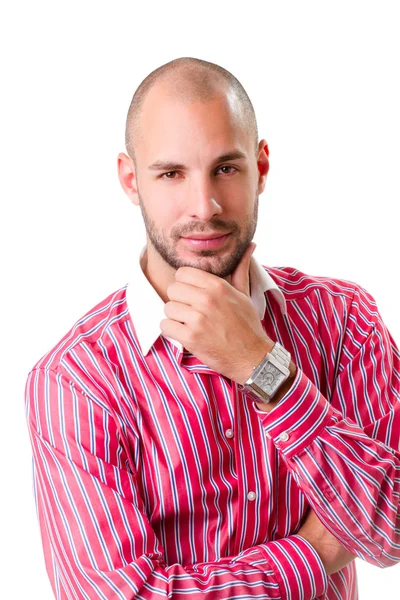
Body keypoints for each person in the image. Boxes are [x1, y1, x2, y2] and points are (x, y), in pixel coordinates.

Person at [24, 56, 400, 600]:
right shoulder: (76, 381)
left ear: (261, 167)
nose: (205, 206)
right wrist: (316, 552)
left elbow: (390, 528)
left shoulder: (345, 321)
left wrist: (262, 367)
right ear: (131, 180)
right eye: (171, 173)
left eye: (225, 168)